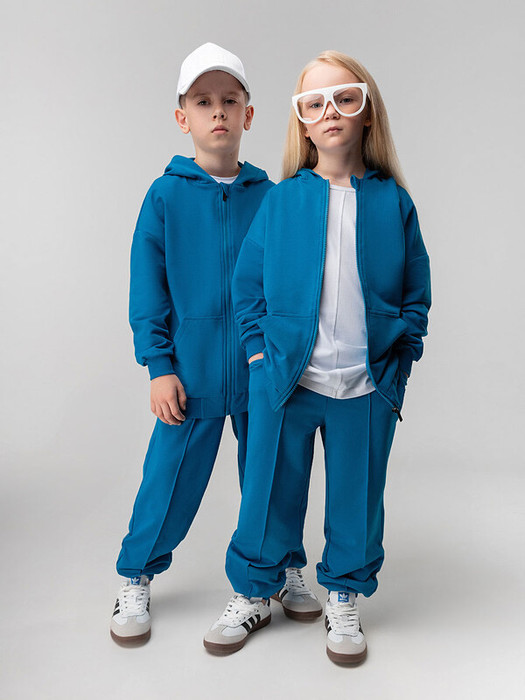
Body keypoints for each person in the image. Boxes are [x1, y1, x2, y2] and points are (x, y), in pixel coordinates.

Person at [204, 50, 431, 664]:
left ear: (366, 112)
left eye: (345, 98)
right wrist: (259, 359)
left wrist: (399, 366)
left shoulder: (393, 203)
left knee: (357, 498)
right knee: (269, 493)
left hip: (367, 386)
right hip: (287, 381)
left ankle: (344, 594)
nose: (330, 112)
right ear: (302, 122)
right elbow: (248, 287)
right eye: (314, 103)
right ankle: (255, 590)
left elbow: (417, 293)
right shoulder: (283, 200)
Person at [110, 42, 321, 647]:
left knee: (274, 475)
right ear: (184, 118)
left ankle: (282, 567)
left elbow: (291, 280)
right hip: (192, 371)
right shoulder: (165, 196)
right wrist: (159, 366)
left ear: (249, 114)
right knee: (168, 480)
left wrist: (287, 356)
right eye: (203, 102)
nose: (218, 111)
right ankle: (135, 576)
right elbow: (147, 289)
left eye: (230, 100)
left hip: (263, 370)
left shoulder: (272, 195)